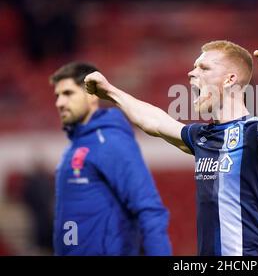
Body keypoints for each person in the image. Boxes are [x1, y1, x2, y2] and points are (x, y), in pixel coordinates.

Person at [84, 40, 258, 256]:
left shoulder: (256, 135)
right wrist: (110, 92)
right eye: (194, 67)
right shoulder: (202, 137)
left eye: (204, 68)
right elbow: (154, 121)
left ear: (231, 79)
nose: (191, 73)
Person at [50, 62, 171, 256]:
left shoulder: (109, 141)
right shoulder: (75, 147)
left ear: (91, 95)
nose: (59, 103)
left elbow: (149, 208)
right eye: (57, 96)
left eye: (68, 93)